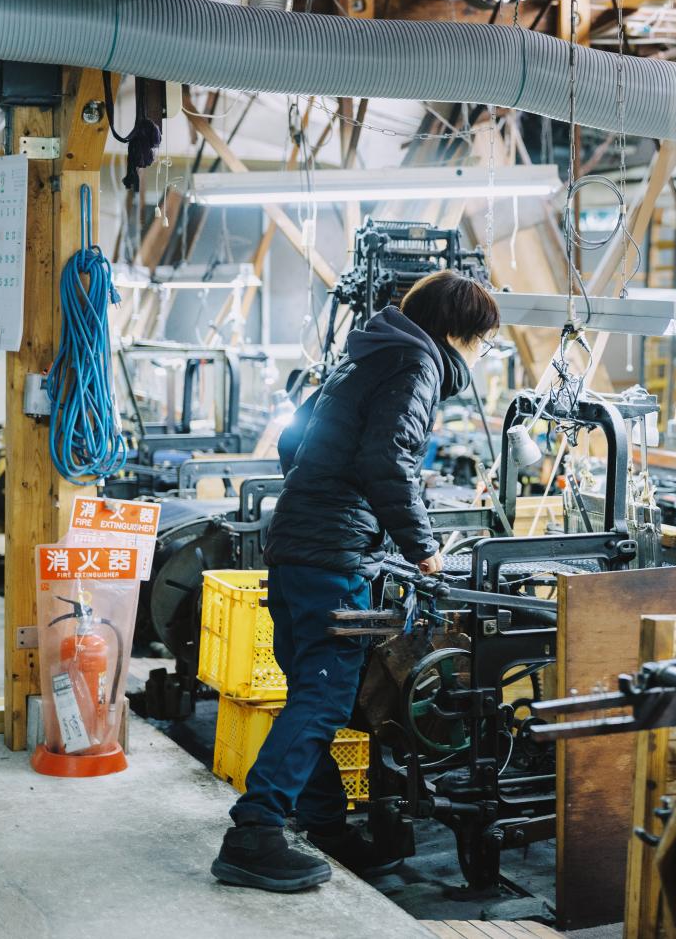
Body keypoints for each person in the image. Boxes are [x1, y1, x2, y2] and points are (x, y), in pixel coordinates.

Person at [212, 269, 500, 892]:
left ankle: (325, 827)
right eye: (482, 341)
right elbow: (388, 459)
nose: (481, 354)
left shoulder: (362, 356)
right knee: (323, 698)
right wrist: (423, 549)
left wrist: (324, 497)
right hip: (331, 558)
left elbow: (295, 441)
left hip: (296, 545)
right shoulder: (416, 364)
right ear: (458, 332)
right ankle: (253, 833)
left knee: (311, 693)